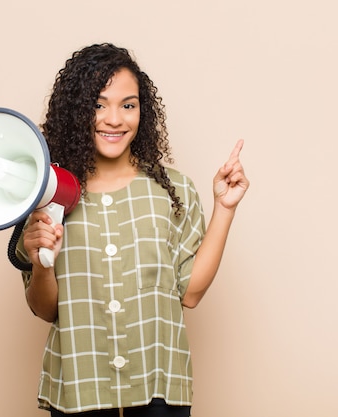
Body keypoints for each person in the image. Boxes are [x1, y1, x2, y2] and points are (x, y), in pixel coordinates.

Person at [17, 43, 249, 416]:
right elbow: (45, 309)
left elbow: (189, 293)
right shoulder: (50, 195)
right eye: (98, 104)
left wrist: (224, 207)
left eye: (128, 105)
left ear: (143, 110)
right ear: (77, 111)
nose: (115, 119)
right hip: (81, 388)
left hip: (159, 388)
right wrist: (42, 261)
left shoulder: (172, 191)